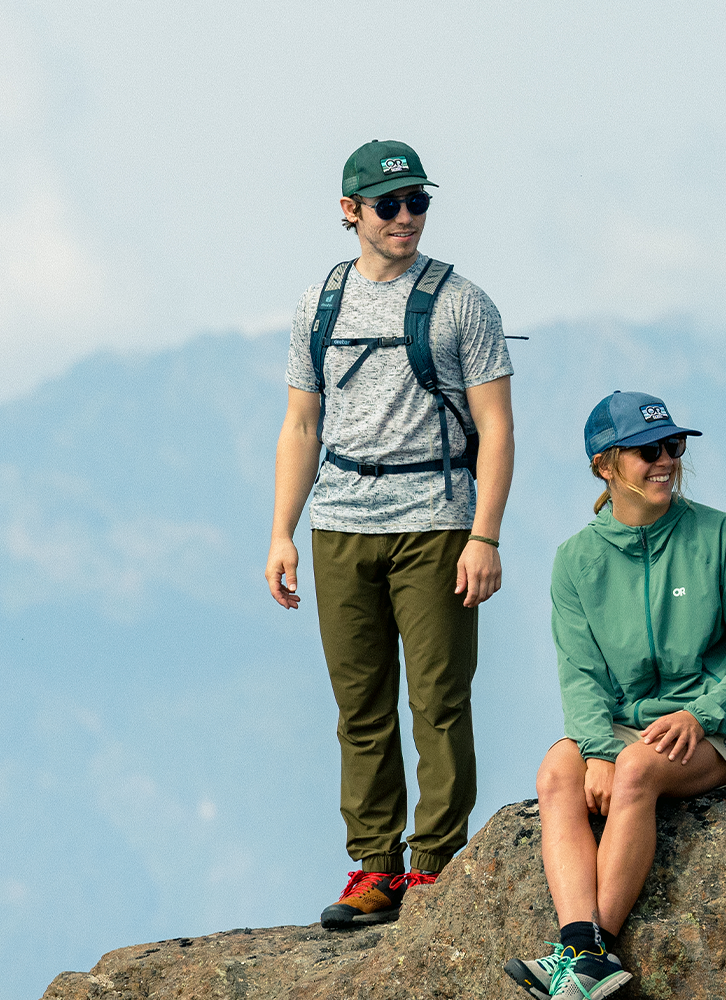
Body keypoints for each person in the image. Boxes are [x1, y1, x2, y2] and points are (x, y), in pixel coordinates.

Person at [264, 139, 514, 928]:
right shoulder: (318, 304)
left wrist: (486, 535)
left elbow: (497, 427)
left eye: (418, 203)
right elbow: (302, 423)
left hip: (436, 523)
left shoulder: (462, 302)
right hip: (340, 525)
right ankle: (375, 869)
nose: (407, 218)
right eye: (390, 205)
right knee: (359, 706)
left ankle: (435, 869)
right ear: (350, 212)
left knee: (440, 699)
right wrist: (281, 533)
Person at [502, 391, 726, 1000]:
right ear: (605, 464)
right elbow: (580, 675)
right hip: (628, 727)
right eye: (648, 450)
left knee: (632, 773)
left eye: (673, 447)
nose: (666, 461)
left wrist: (700, 714)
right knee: (557, 771)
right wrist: (594, 749)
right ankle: (584, 949)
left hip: (723, 726)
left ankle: (585, 956)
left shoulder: (721, 536)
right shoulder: (576, 560)